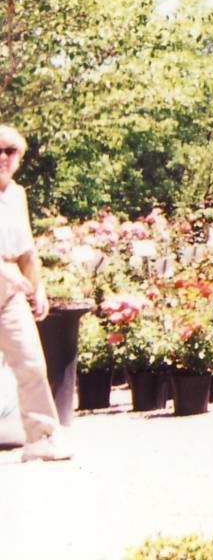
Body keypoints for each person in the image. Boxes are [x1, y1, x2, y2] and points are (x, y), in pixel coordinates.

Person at [0, 124, 71, 461]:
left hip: (9, 293)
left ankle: (41, 439)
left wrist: (38, 287)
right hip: (6, 276)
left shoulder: (17, 196)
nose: (3, 157)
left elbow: (27, 250)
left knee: (31, 362)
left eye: (10, 151)